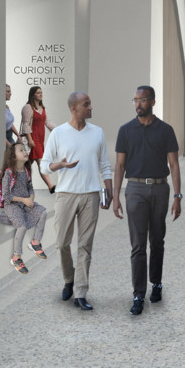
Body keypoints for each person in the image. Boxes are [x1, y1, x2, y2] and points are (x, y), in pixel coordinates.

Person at [112, 86, 182, 315]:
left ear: (152, 101)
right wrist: (116, 197)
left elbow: (174, 165)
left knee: (158, 240)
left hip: (160, 189)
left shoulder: (165, 130)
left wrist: (177, 196)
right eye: (135, 100)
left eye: (142, 100)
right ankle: (138, 294)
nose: (138, 104)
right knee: (138, 244)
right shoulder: (125, 130)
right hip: (135, 189)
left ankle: (157, 283)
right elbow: (120, 165)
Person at [42, 91, 113, 311]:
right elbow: (44, 165)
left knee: (85, 246)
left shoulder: (97, 133)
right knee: (62, 243)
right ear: (74, 108)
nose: (91, 107)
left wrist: (108, 188)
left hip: (91, 195)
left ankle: (81, 292)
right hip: (65, 195)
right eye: (87, 104)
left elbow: (104, 164)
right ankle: (68, 280)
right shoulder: (58, 134)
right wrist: (59, 165)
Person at [0, 137, 46, 274]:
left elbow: (30, 187)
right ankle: (16, 257)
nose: (25, 152)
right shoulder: (8, 173)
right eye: (21, 150)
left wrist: (30, 197)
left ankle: (35, 242)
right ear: (13, 156)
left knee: (43, 212)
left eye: (25, 150)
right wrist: (23, 200)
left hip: (25, 203)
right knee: (22, 226)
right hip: (12, 205)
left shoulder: (26, 171)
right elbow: (6, 196)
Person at [21, 86, 57, 191]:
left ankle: (20, 185)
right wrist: (30, 139)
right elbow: (26, 124)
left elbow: (47, 123)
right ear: (32, 95)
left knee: (27, 165)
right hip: (33, 139)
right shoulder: (28, 107)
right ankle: (51, 186)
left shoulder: (43, 108)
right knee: (41, 163)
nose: (41, 94)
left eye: (41, 92)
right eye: (38, 93)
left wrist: (59, 130)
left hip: (40, 140)